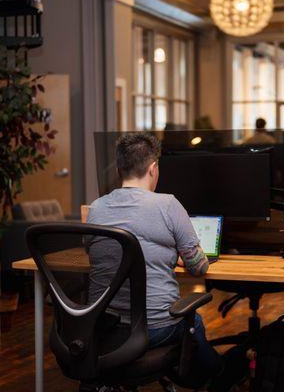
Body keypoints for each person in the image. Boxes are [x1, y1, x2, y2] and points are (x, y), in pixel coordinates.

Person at [86, 132, 223, 386]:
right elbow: (199, 266)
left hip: (105, 327)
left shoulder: (96, 208)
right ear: (153, 168)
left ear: (119, 169)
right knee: (195, 324)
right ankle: (216, 377)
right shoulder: (168, 205)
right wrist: (176, 256)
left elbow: (99, 253)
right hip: (156, 327)